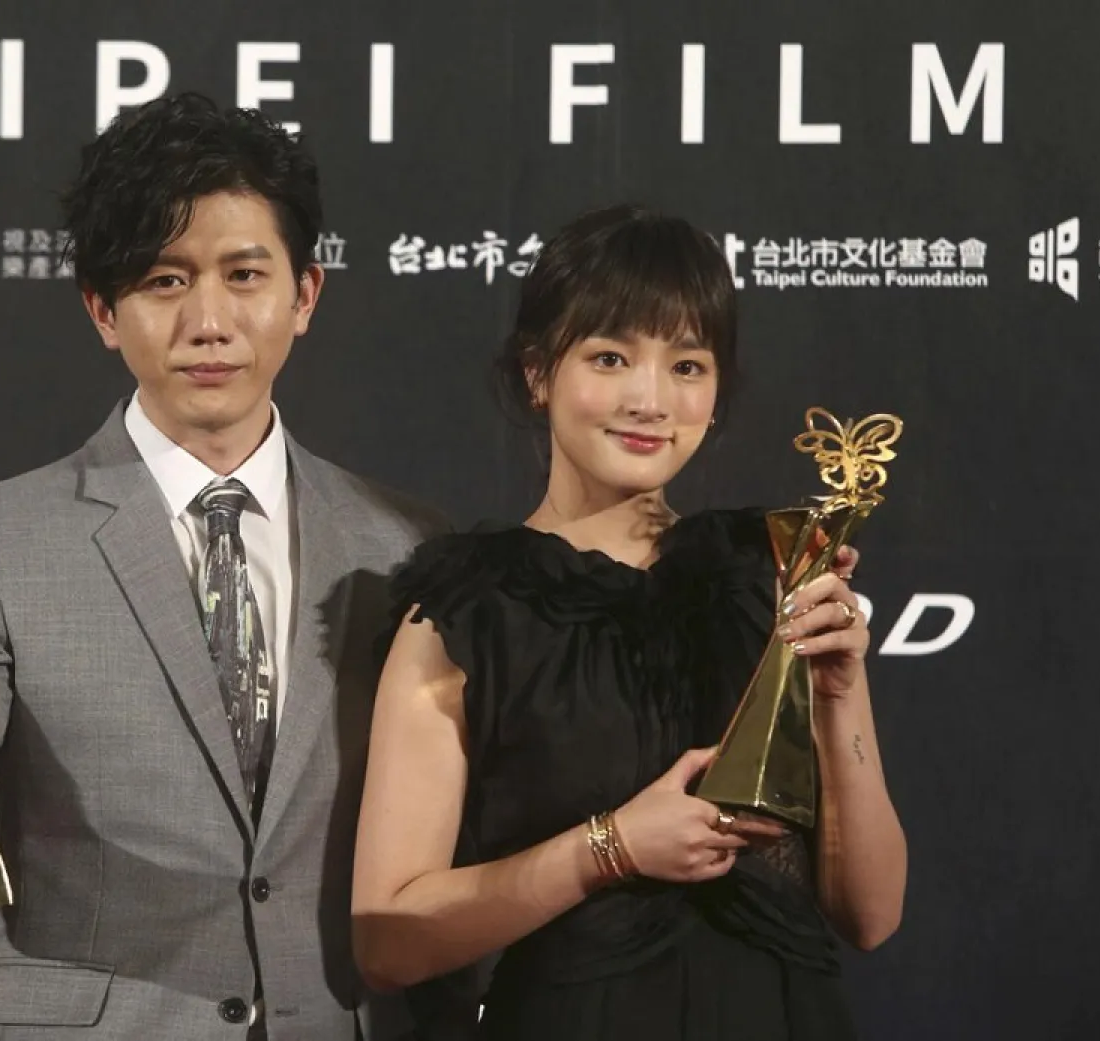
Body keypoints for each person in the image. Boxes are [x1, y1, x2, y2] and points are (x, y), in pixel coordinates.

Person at [0, 92, 478, 1041]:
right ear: (104, 310)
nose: (209, 320)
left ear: (305, 295)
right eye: (164, 280)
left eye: (243, 274)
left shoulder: (408, 546)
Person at [351, 205, 908, 1039]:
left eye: (687, 364)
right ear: (538, 373)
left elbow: (871, 913)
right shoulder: (467, 612)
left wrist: (838, 693)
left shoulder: (776, 571)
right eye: (610, 357)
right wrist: (608, 848)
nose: (651, 400)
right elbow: (387, 936)